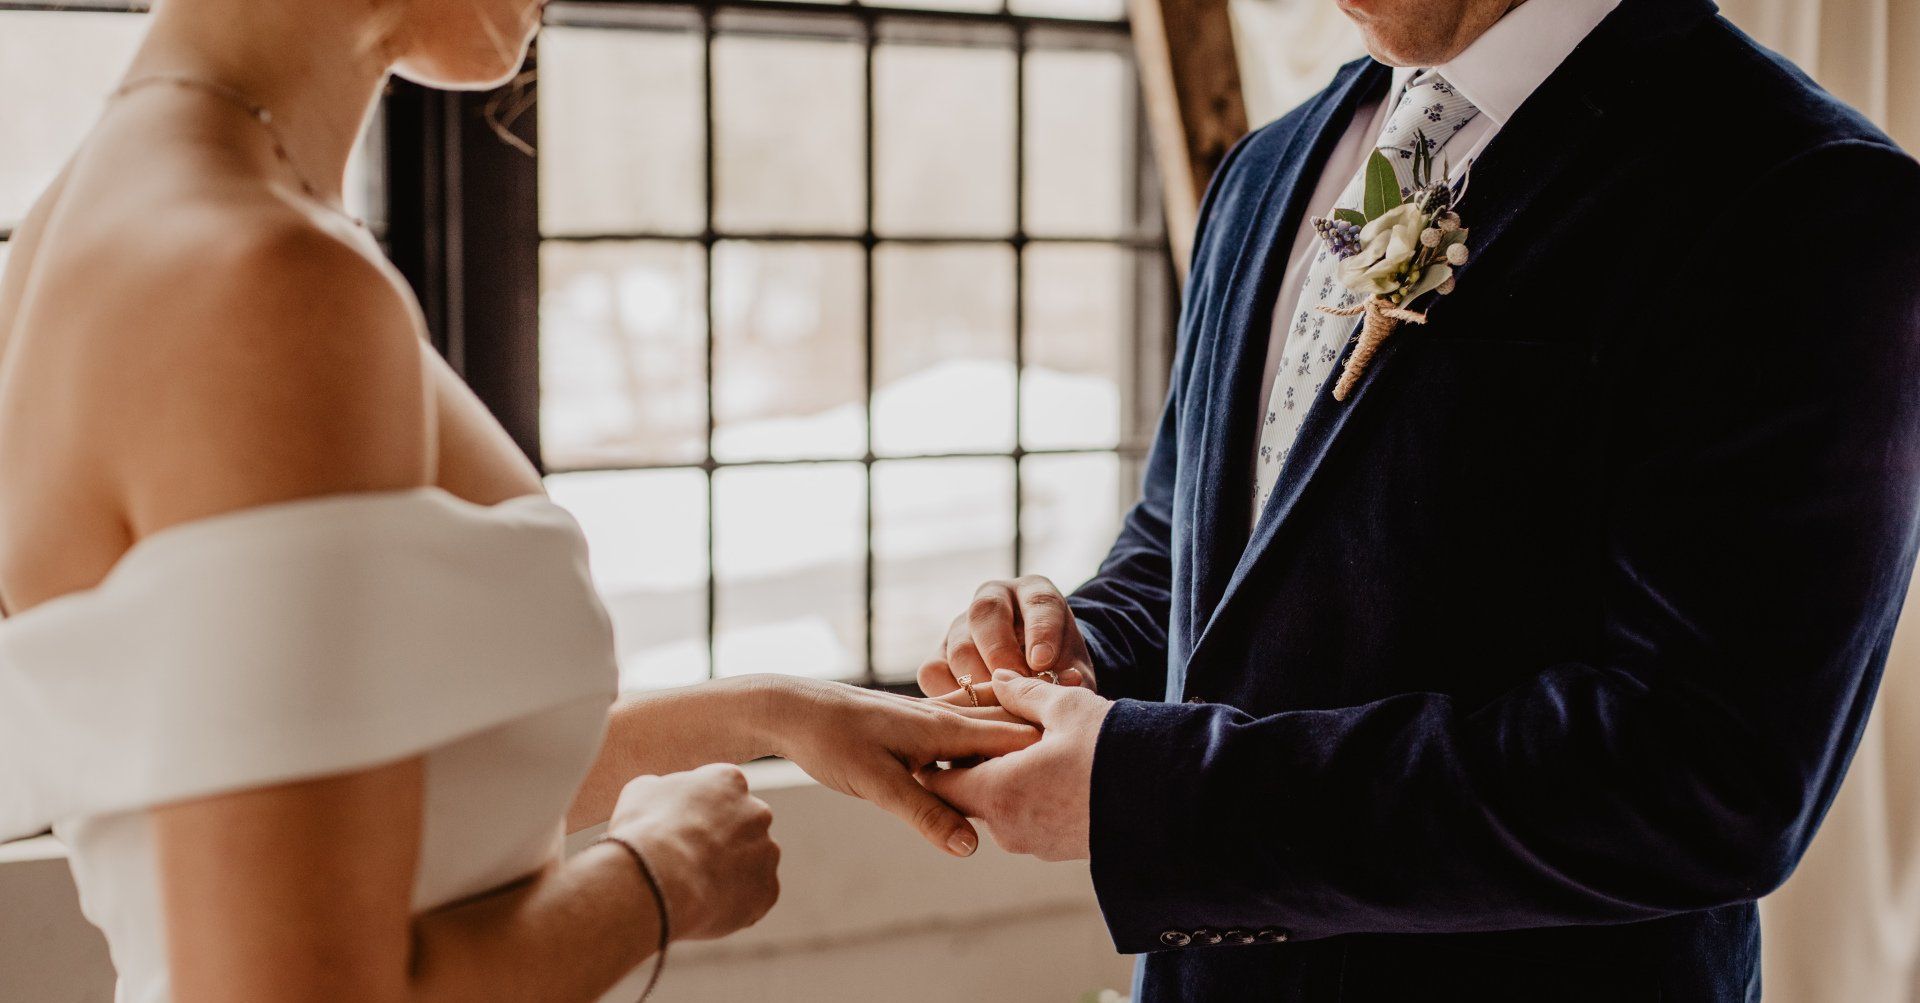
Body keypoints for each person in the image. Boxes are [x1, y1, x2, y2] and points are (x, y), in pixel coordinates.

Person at [0, 1, 1035, 1000]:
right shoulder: (259, 279)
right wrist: (662, 874)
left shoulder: (106, 222)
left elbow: (377, 802)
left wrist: (774, 713)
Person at [916, 0, 1920, 998]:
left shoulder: (1800, 190)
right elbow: (1196, 539)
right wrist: (1076, 643)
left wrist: (1156, 796)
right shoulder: (1267, 169)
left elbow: (1700, 774)